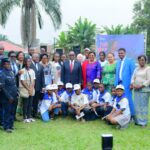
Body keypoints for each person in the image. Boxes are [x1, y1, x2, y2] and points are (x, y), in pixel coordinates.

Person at [115, 48, 135, 118]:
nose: (120, 54)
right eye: (119, 53)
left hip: (127, 84)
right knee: (120, 100)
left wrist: (132, 83)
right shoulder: (118, 62)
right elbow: (117, 74)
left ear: (125, 53)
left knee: (128, 99)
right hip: (119, 83)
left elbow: (133, 73)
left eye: (122, 53)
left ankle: (132, 115)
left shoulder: (130, 61)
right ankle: (122, 115)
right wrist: (115, 84)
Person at [130, 55, 150, 127]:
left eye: (142, 60)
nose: (141, 61)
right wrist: (133, 84)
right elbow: (132, 78)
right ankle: (137, 121)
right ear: (138, 61)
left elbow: (148, 80)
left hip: (144, 90)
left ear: (145, 61)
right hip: (136, 90)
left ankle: (143, 122)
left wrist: (141, 86)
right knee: (137, 106)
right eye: (140, 60)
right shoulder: (136, 69)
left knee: (143, 106)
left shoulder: (148, 69)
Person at [0, 58, 18, 133]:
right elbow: (2, 87)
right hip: (6, 97)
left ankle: (11, 125)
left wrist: (17, 92)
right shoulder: (1, 73)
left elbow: (14, 84)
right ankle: (6, 127)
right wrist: (9, 97)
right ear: (3, 65)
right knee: (7, 111)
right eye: (6, 64)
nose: (8, 65)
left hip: (14, 95)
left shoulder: (11, 72)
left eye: (9, 64)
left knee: (12, 111)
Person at [19, 57, 36, 123]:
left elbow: (34, 80)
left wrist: (31, 88)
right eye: (27, 61)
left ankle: (29, 116)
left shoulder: (32, 71)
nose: (28, 63)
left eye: (29, 61)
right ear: (25, 62)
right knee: (25, 104)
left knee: (30, 103)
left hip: (31, 89)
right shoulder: (22, 70)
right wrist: (28, 88)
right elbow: (22, 81)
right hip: (25, 89)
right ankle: (24, 117)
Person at [30, 53, 45, 118]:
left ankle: (35, 114)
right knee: (30, 101)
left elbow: (42, 77)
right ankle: (29, 114)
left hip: (38, 87)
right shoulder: (29, 65)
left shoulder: (40, 66)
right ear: (32, 57)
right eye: (36, 57)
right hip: (31, 86)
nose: (37, 58)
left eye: (38, 57)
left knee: (36, 101)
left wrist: (43, 86)